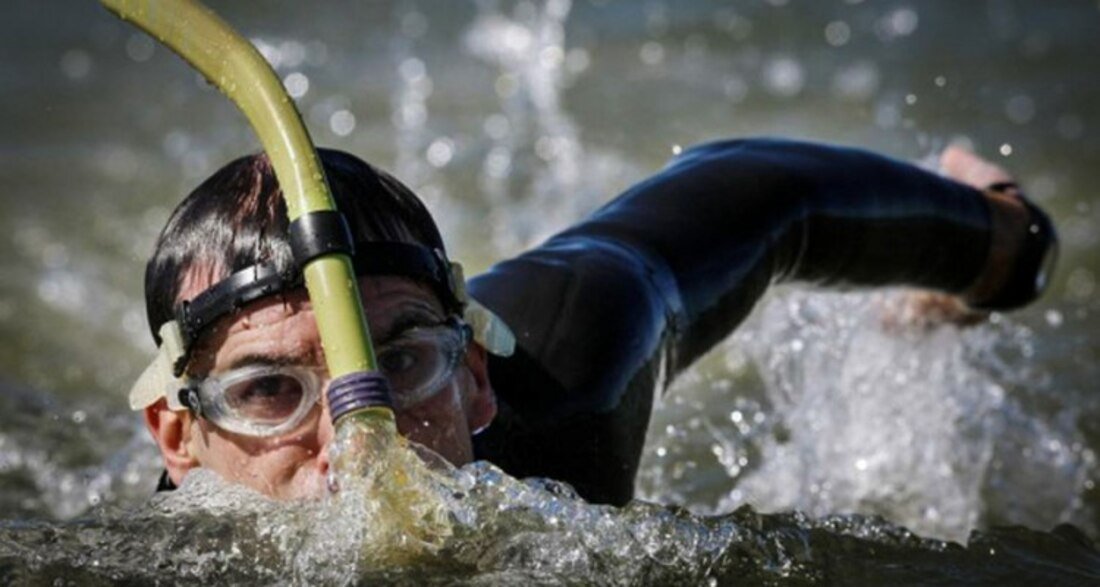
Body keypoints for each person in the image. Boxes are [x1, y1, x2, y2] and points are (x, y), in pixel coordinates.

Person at [131, 137, 1057, 505]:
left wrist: (1006, 247)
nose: (358, 444)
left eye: (403, 362)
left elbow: (780, 201)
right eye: (270, 391)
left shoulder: (570, 378)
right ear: (179, 434)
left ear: (475, 373)